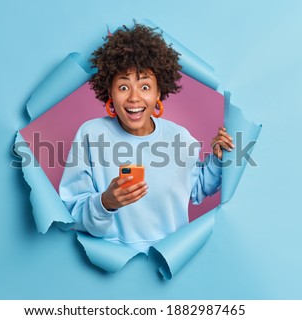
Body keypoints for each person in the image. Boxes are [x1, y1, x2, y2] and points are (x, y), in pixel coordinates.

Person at [59, 23, 234, 253]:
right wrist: (106, 203)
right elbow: (73, 212)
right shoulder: (91, 135)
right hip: (113, 262)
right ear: (109, 91)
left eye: (144, 86)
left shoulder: (179, 137)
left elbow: (197, 188)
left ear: (158, 92)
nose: (134, 97)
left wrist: (219, 159)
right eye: (123, 87)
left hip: (167, 259)